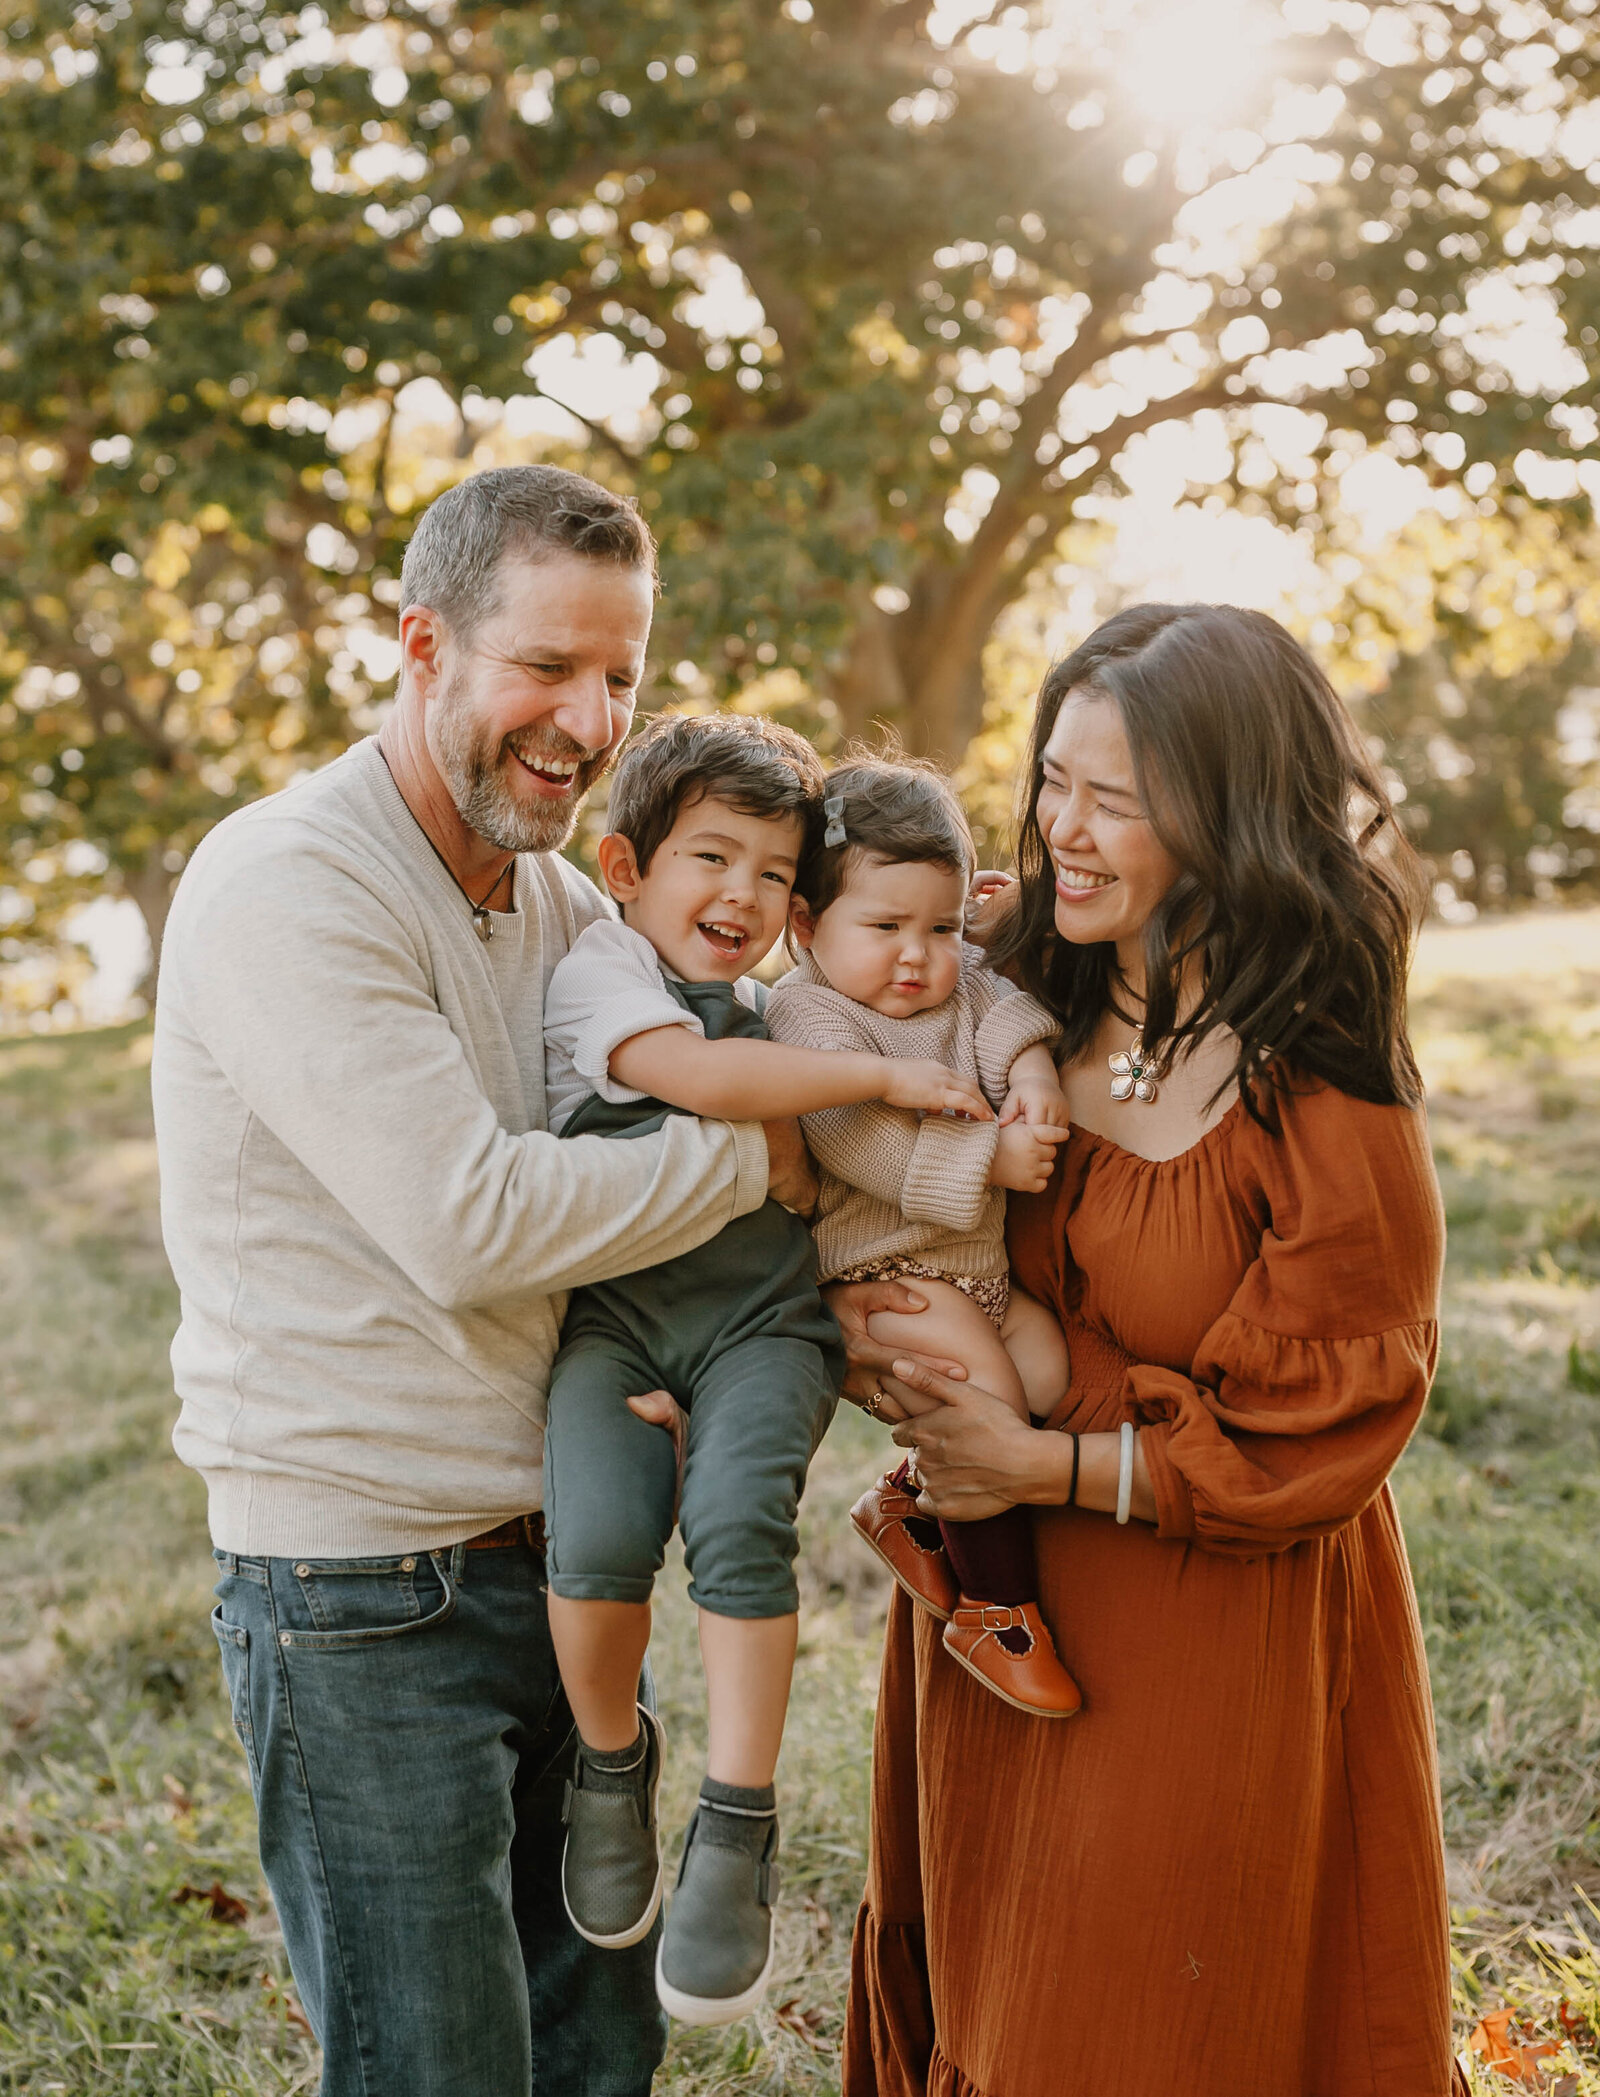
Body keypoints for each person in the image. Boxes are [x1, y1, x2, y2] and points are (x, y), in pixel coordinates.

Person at [151, 464, 816, 2097]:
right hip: (362, 1602)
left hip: (564, 1567)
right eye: (547, 666)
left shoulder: (564, 900)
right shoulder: (290, 884)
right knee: (438, 2070)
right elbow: (472, 1215)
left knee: (599, 2060)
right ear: (423, 643)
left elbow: (715, 1057)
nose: (589, 720)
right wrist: (770, 1155)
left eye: (621, 678)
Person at [829, 604, 1467, 2097]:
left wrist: (1044, 1439)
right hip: (995, 1610)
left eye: (1114, 798)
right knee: (994, 1992)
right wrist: (881, 1340)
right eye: (1054, 780)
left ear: (1229, 814)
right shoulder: (996, 989)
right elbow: (809, 1134)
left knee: (1143, 2026)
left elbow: (1331, 1422)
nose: (1065, 831)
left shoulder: (1318, 1068)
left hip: (1208, 1633)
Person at [538, 709, 989, 2025]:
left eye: (774, 876)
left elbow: (914, 951)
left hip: (760, 1330)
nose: (742, 895)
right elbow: (689, 1074)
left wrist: (977, 915)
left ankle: (736, 1822)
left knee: (739, 1525)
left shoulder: (787, 1001)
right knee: (601, 1530)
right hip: (617, 1330)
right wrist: (871, 1098)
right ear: (626, 871)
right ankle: (610, 1766)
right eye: (711, 859)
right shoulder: (605, 979)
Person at [765, 755, 1082, 1718]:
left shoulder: (957, 981)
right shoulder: (807, 1012)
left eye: (940, 926)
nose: (918, 955)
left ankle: (909, 1501)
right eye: (887, 927)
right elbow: (852, 1136)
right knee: (990, 1408)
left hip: (974, 1271)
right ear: (808, 926)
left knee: (1052, 1381)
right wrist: (987, 1163)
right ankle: (995, 1607)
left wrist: (1033, 1079)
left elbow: (1005, 1009)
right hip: (888, 1273)